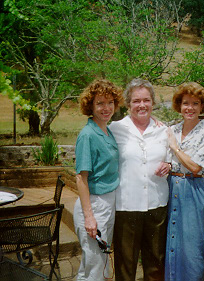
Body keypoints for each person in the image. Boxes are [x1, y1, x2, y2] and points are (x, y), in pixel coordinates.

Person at [109, 78, 171, 281]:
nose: (142, 105)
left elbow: (173, 160)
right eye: (136, 101)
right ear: (128, 104)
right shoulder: (115, 129)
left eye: (146, 100)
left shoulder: (164, 130)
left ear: (153, 102)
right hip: (127, 206)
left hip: (157, 205)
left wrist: (169, 166)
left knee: (155, 263)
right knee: (126, 265)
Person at [164, 82, 204, 281]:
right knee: (172, 245)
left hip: (192, 190)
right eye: (186, 103)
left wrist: (175, 148)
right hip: (171, 188)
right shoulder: (172, 130)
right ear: (179, 105)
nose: (190, 108)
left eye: (195, 103)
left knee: (191, 248)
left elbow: (195, 167)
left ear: (202, 106)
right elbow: (167, 161)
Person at [73, 79, 123, 281]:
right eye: (100, 103)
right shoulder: (88, 135)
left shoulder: (106, 130)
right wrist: (89, 217)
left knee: (95, 264)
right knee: (95, 266)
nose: (106, 108)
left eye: (110, 102)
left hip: (107, 203)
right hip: (94, 204)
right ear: (90, 106)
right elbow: (80, 178)